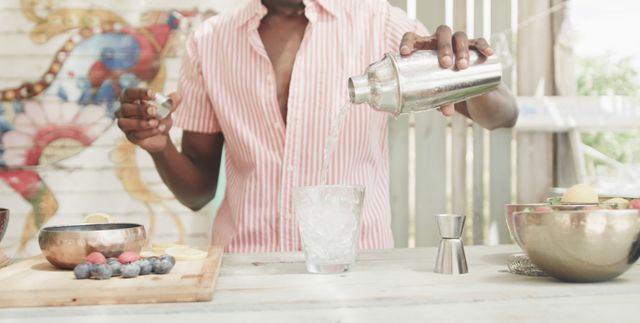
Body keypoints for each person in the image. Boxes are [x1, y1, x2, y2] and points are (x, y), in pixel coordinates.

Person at [115, 0, 518, 252]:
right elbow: (197, 191)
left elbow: (503, 114)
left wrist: (462, 72)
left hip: (358, 269)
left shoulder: (380, 23)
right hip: (245, 273)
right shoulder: (210, 41)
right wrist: (159, 144)